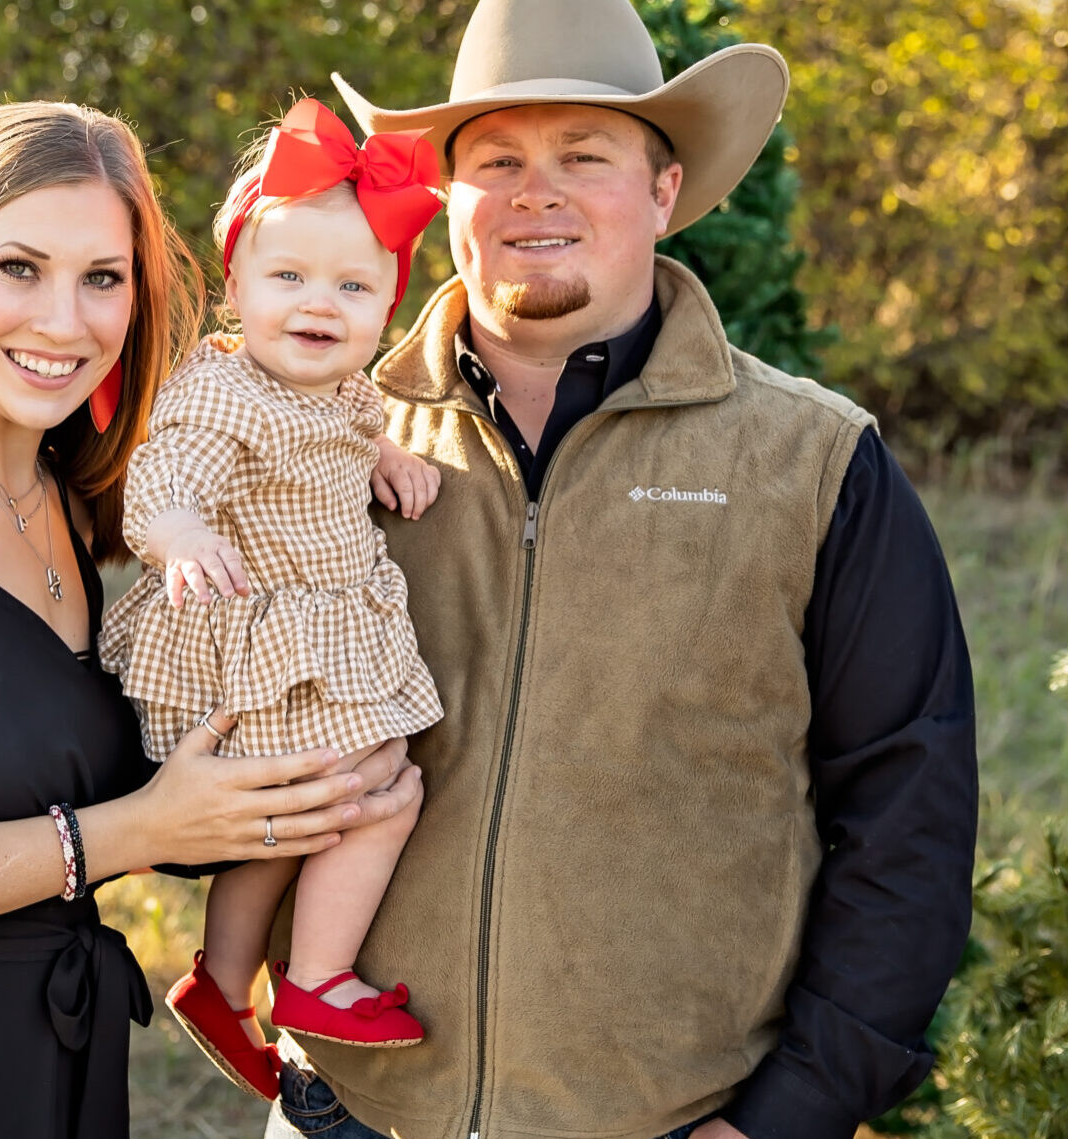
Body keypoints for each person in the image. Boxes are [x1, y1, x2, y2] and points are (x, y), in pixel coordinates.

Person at [262, 1, 980, 1138]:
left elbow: (908, 815)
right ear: (447, 195)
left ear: (661, 190)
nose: (533, 192)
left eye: (582, 156)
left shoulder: (812, 461)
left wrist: (789, 1114)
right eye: (496, 159)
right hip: (344, 1112)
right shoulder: (312, 438)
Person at [0, 100, 421, 1139]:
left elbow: (107, 788)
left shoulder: (73, 500)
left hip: (62, 1070)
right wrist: (141, 829)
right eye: (18, 267)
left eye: (103, 278)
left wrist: (301, 790)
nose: (64, 321)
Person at [98, 99, 448, 1102]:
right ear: (236, 282)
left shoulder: (342, 392)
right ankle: (314, 981)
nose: (318, 302)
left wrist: (380, 454)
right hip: (258, 638)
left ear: (387, 304)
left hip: (314, 633)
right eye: (287, 275)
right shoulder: (224, 394)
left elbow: (336, 432)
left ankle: (218, 979)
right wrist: (178, 536)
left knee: (294, 816)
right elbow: (165, 477)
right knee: (379, 788)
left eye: (352, 283)